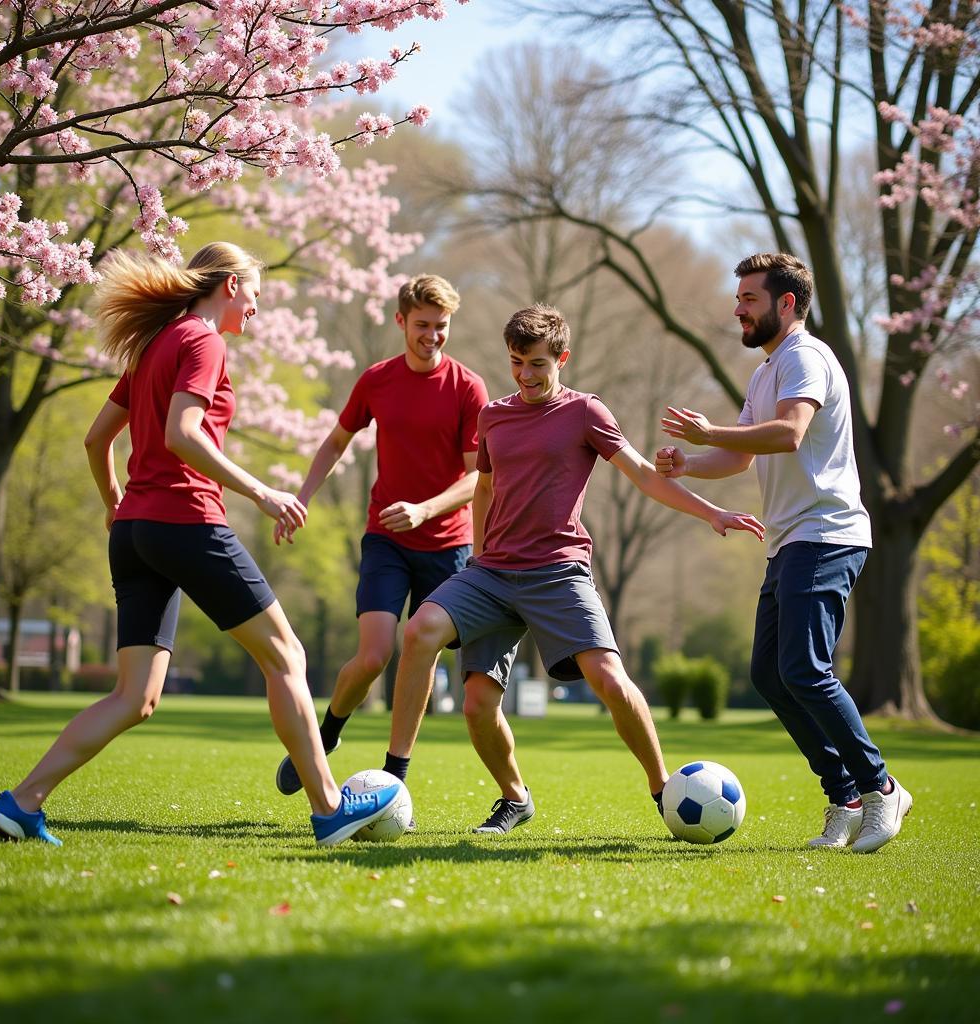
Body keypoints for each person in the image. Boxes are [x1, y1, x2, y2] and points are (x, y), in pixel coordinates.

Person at [0, 242, 399, 848]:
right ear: (230, 285)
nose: (256, 306)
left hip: (134, 534)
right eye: (255, 291)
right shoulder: (204, 341)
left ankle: (20, 803)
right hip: (186, 521)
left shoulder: (153, 344)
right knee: (286, 656)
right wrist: (260, 492)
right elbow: (183, 433)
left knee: (134, 696)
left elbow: (96, 440)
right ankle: (330, 808)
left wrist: (115, 506)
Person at [380, 303, 765, 833]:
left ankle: (664, 791)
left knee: (608, 678)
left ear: (562, 358)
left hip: (557, 572)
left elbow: (644, 475)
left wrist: (712, 512)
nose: (526, 375)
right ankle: (421, 783)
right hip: (491, 572)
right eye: (517, 362)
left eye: (538, 363)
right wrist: (476, 554)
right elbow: (486, 489)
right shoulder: (493, 415)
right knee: (442, 658)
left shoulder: (586, 412)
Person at [656, 251, 912, 853]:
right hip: (791, 539)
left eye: (749, 298)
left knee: (804, 668)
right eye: (739, 297)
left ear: (786, 303)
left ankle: (881, 787)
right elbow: (746, 454)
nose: (738, 308)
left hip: (827, 532)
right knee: (770, 675)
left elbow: (789, 432)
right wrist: (690, 462)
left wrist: (708, 431)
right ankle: (844, 797)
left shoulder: (806, 357)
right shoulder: (766, 369)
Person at [275, 275, 489, 802]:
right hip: (386, 540)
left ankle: (396, 776)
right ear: (400, 322)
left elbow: (475, 478)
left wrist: (425, 509)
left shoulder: (468, 387)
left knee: (420, 657)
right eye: (422, 326)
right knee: (373, 657)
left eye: (441, 327)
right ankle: (327, 732)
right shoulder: (377, 381)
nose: (432, 337)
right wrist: (302, 496)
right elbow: (336, 441)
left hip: (447, 545)